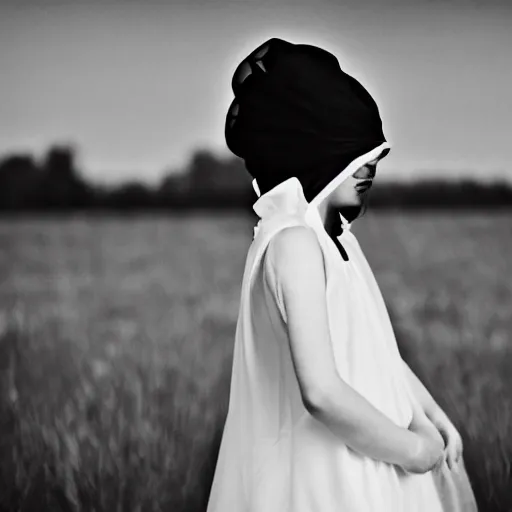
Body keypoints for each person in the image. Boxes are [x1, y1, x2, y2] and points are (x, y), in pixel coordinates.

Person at [207, 37, 478, 511]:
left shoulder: (336, 238)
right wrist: (413, 451)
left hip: (369, 456)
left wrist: (432, 416)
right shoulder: (293, 242)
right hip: (329, 477)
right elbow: (322, 392)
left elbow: (374, 352)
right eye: (354, 151)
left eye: (372, 151)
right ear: (311, 148)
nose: (371, 162)